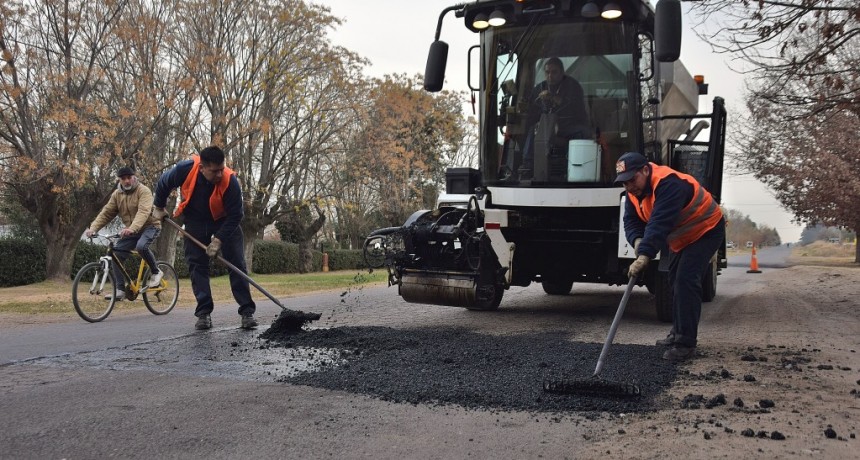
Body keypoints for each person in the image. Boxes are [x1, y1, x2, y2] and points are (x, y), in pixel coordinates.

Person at [615, 152, 725, 361]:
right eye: (624, 183)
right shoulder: (632, 193)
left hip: (706, 229)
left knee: (686, 280)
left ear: (645, 170)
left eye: (632, 179)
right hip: (682, 237)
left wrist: (644, 255)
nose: (629, 186)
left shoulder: (668, 184)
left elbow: (659, 223)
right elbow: (631, 222)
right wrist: (637, 241)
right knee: (674, 279)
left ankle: (685, 344)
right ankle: (677, 332)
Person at [152, 146, 257, 330]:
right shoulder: (184, 169)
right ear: (202, 168)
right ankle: (203, 314)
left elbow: (236, 215)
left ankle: (247, 312)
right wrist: (159, 207)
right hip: (195, 220)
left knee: (237, 263)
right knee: (197, 265)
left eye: (221, 169)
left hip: (224, 221)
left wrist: (218, 240)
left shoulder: (230, 181)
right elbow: (163, 182)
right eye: (215, 171)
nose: (219, 174)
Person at [86, 166, 162, 300]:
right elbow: (106, 213)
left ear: (134, 177)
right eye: (123, 178)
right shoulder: (117, 195)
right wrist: (93, 228)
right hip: (132, 229)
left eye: (129, 178)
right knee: (116, 253)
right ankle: (120, 290)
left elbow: (143, 212)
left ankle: (156, 272)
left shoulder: (143, 191)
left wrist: (132, 228)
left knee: (141, 246)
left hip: (150, 226)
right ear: (119, 180)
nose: (126, 181)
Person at [521, 57, 591, 176]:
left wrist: (554, 98)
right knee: (532, 130)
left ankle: (577, 165)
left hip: (567, 126)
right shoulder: (539, 88)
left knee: (584, 132)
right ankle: (527, 165)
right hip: (545, 126)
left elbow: (578, 109)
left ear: (562, 72)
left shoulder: (573, 86)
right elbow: (532, 111)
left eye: (554, 72)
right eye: (547, 72)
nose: (550, 76)